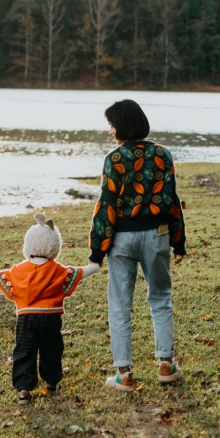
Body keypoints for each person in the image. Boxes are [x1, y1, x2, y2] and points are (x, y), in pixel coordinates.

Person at [88, 99, 186, 392]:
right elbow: (171, 200)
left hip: (122, 238)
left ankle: (124, 373)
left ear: (121, 125)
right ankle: (166, 364)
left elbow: (107, 205)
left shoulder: (114, 159)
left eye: (111, 125)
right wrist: (178, 242)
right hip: (157, 235)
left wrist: (97, 251)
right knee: (160, 297)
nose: (110, 131)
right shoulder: (163, 154)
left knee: (120, 304)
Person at [0, 212, 100, 403]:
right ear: (54, 249)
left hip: (25, 318)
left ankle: (23, 389)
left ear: (28, 247)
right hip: (50, 318)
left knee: (24, 351)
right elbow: (80, 272)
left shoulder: (18, 270)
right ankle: (51, 381)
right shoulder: (58, 270)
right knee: (52, 349)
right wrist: (95, 265)